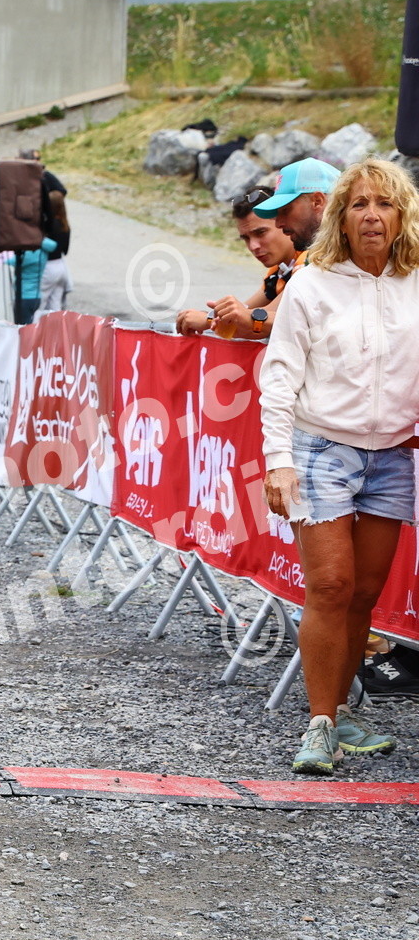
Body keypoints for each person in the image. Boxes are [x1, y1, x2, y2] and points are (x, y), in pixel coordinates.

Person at [260, 159, 419, 775]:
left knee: (364, 595)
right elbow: (279, 378)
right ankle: (319, 724)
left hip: (393, 456)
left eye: (384, 203)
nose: (372, 215)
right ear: (340, 218)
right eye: (359, 204)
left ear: (402, 215)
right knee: (329, 586)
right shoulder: (312, 283)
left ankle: (345, 709)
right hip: (320, 450)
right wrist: (278, 463)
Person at [176, 185, 305, 338]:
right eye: (246, 238)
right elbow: (246, 311)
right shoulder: (278, 272)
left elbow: (266, 320)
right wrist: (216, 315)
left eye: (260, 233)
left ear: (282, 223)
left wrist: (208, 319)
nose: (253, 246)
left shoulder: (310, 261)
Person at [254, 157, 341, 253]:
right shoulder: (326, 256)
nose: (278, 224)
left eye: (286, 210)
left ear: (317, 201)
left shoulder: (353, 252)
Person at [38, 189, 72, 312]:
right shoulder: (65, 226)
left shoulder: (48, 225)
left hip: (48, 266)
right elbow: (65, 250)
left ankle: (35, 324)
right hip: (61, 266)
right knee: (55, 305)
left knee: (40, 304)